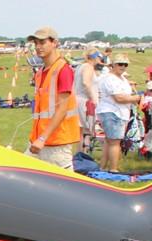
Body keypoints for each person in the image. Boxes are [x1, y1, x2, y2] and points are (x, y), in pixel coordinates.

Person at [26, 27, 79, 169]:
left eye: (42, 42)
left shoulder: (63, 70)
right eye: (36, 43)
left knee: (64, 186)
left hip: (56, 143)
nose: (38, 47)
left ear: (54, 43)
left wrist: (42, 138)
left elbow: (63, 109)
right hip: (38, 141)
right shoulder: (40, 73)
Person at [96, 54, 142, 171]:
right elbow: (119, 98)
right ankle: (113, 169)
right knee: (115, 142)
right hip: (112, 113)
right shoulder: (109, 79)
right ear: (113, 65)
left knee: (109, 141)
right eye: (120, 64)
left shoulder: (122, 78)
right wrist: (136, 98)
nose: (123, 67)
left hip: (120, 113)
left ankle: (102, 167)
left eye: (125, 65)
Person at [72, 49, 107, 153]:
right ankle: (83, 154)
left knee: (81, 131)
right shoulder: (88, 67)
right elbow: (86, 83)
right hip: (85, 102)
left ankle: (80, 154)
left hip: (78, 100)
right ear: (95, 57)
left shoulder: (81, 66)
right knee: (86, 130)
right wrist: (94, 99)